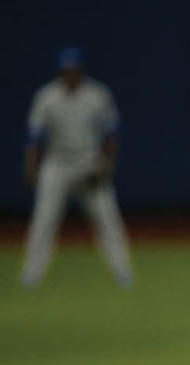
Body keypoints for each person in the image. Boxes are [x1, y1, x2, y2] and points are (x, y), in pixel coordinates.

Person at [22, 47, 131, 288]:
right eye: (65, 71)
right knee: (44, 220)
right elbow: (34, 137)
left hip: (89, 161)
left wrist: (106, 165)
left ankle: (123, 273)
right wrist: (31, 167)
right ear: (60, 72)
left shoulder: (97, 95)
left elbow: (112, 133)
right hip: (57, 162)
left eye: (73, 71)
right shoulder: (47, 96)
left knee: (108, 219)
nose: (69, 75)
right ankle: (31, 275)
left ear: (80, 71)